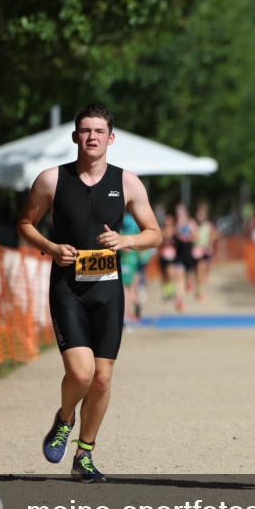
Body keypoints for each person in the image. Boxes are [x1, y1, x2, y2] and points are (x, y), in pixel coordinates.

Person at [18, 103, 162, 482]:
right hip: (67, 289)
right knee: (81, 374)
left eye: (99, 131)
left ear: (110, 138)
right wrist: (50, 248)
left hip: (108, 291)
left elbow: (155, 233)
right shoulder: (51, 180)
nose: (92, 137)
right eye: (85, 131)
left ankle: (84, 455)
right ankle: (64, 419)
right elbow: (26, 223)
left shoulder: (127, 182)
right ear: (75, 137)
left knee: (102, 378)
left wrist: (126, 240)